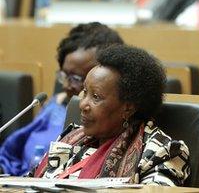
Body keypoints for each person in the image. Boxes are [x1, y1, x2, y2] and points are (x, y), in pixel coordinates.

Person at [33, 44, 190, 185]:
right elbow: (29, 182)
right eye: (85, 92)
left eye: (96, 97)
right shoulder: (72, 137)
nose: (82, 104)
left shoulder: (161, 152)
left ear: (128, 108)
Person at [0, 22, 124, 176]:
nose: (67, 85)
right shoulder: (54, 105)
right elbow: (13, 154)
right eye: (65, 75)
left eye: (77, 78)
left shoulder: (106, 126)